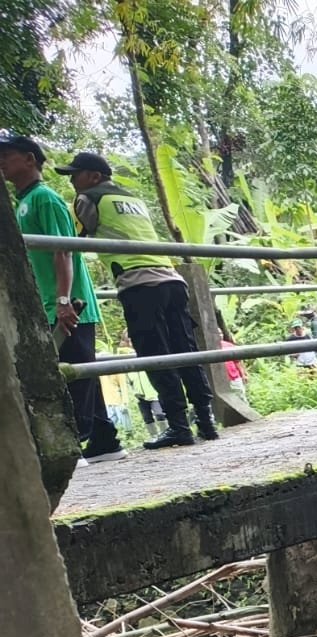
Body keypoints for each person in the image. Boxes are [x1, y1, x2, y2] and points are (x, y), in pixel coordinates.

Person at [59, 150, 221, 449]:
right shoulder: (132, 199)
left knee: (156, 355)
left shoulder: (89, 198)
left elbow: (77, 238)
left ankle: (178, 426)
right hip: (171, 279)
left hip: (138, 282)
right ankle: (206, 420)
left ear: (94, 176)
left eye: (74, 174)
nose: (71, 181)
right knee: (185, 352)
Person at [0, 133, 125, 463]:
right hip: (52, 299)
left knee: (73, 371)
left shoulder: (45, 198)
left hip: (70, 301)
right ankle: (104, 440)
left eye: (7, 156)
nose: (2, 163)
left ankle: (77, 441)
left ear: (29, 159)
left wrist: (64, 300)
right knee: (81, 368)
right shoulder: (23, 202)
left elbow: (63, 250)